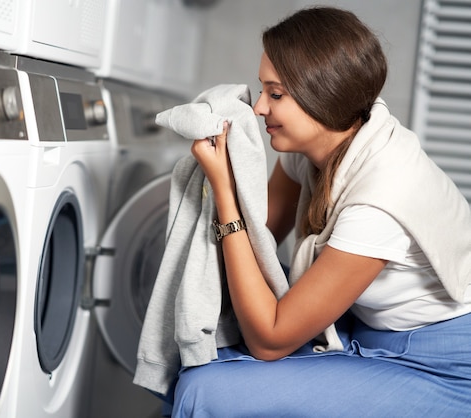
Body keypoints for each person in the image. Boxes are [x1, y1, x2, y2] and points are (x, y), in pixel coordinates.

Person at [172, 6, 471, 417]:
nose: (258, 108)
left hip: (444, 365)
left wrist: (225, 191)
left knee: (202, 390)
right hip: (368, 329)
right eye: (262, 90)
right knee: (191, 357)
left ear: (322, 95)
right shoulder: (315, 149)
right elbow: (260, 238)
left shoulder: (380, 202)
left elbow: (269, 339)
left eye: (275, 94)